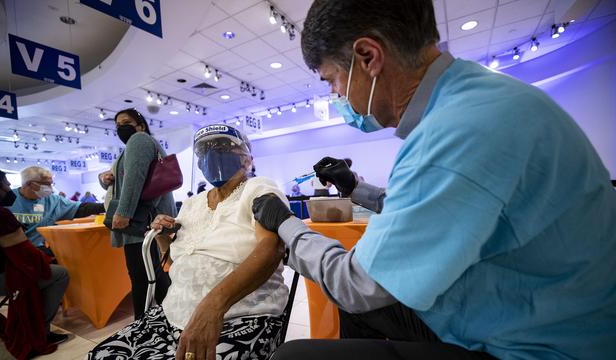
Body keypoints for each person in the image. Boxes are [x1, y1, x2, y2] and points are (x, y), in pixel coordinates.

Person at [251, 1, 616, 359]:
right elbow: (433, 205)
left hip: (540, 345)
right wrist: (354, 189)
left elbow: (355, 285)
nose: (336, 95)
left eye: (332, 80)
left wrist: (287, 225)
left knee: (295, 355)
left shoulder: (454, 134)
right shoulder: (480, 99)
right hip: (542, 309)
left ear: (368, 57)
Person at [88, 124, 289, 360]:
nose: (211, 155)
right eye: (204, 150)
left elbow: (272, 248)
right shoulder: (193, 203)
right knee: (99, 355)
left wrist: (212, 306)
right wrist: (164, 238)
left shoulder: (258, 188)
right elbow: (172, 266)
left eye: (223, 147)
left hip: (240, 315)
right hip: (174, 314)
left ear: (247, 160)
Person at [0, 166, 70, 358]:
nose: (11, 188)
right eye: (7, 184)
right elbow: (26, 257)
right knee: (59, 274)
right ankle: (40, 332)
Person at [108, 108, 175, 320]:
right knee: (152, 274)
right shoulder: (136, 145)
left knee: (142, 277)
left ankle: (142, 326)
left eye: (126, 122)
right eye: (117, 125)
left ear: (141, 125)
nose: (121, 127)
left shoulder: (139, 139)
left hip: (142, 221)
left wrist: (124, 212)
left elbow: (135, 178)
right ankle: (172, 317)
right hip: (148, 219)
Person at [7, 166, 105, 255]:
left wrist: (106, 206)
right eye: (46, 184)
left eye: (51, 184)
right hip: (11, 250)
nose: (50, 188)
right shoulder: (6, 199)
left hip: (38, 250)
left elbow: (81, 208)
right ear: (29, 184)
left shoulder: (52, 200)